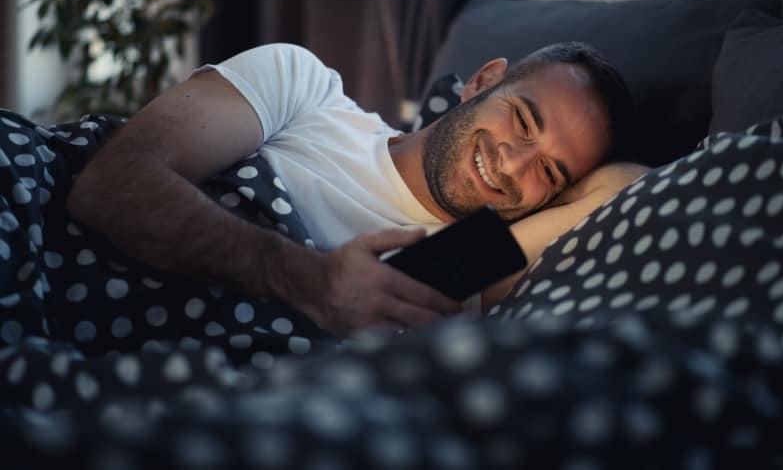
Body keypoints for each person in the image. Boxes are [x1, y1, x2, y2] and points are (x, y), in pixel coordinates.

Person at [65, 42, 644, 335]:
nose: (514, 165)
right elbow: (113, 183)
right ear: (482, 82)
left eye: (550, 173)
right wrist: (308, 278)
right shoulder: (307, 89)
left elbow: (629, 188)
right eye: (522, 119)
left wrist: (575, 178)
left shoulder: (459, 267)